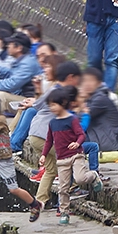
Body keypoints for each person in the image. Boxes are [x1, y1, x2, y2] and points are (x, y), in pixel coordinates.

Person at [43, 87, 97, 224]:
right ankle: (64, 212)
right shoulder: (53, 123)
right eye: (50, 105)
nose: (52, 108)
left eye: (54, 104)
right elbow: (49, 140)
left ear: (63, 103)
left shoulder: (72, 119)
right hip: (61, 159)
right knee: (63, 188)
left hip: (76, 155)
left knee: (80, 179)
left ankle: (94, 176)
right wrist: (43, 155)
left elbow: (81, 134)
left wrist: (77, 143)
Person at [78, 67, 118, 164]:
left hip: (113, 142)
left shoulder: (100, 99)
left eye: (91, 81)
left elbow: (79, 117)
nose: (87, 84)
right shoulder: (92, 97)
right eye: (85, 81)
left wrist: (80, 100)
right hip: (103, 137)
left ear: (99, 83)